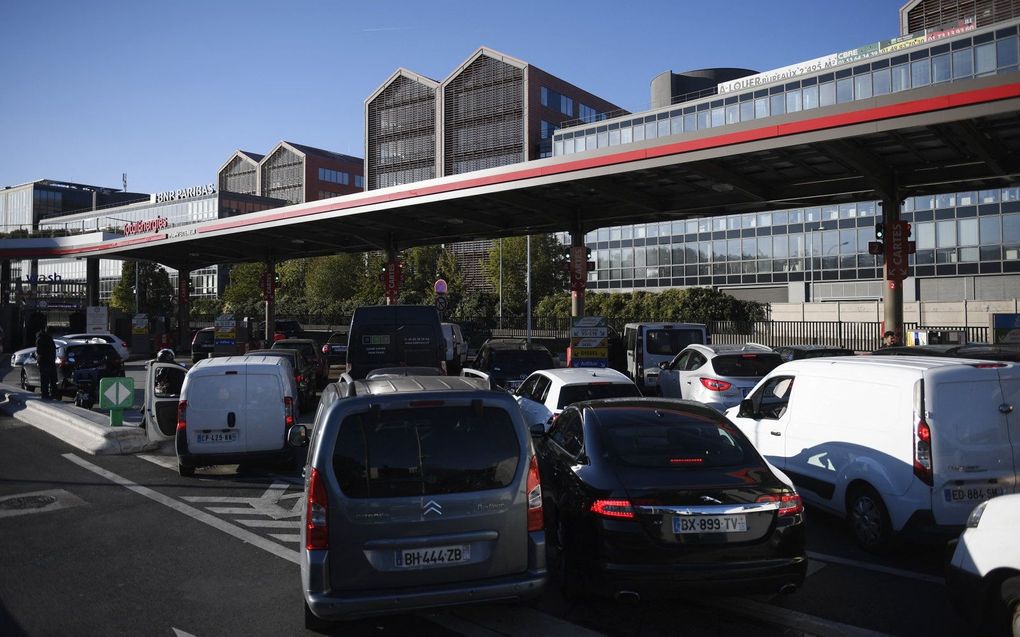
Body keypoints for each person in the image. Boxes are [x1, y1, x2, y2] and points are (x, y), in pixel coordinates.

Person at [35, 327, 58, 399]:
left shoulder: (47, 338)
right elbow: (39, 351)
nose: (52, 335)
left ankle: (52, 393)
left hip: (50, 361)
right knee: (45, 379)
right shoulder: (42, 339)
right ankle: (45, 394)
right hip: (45, 361)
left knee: (52, 378)